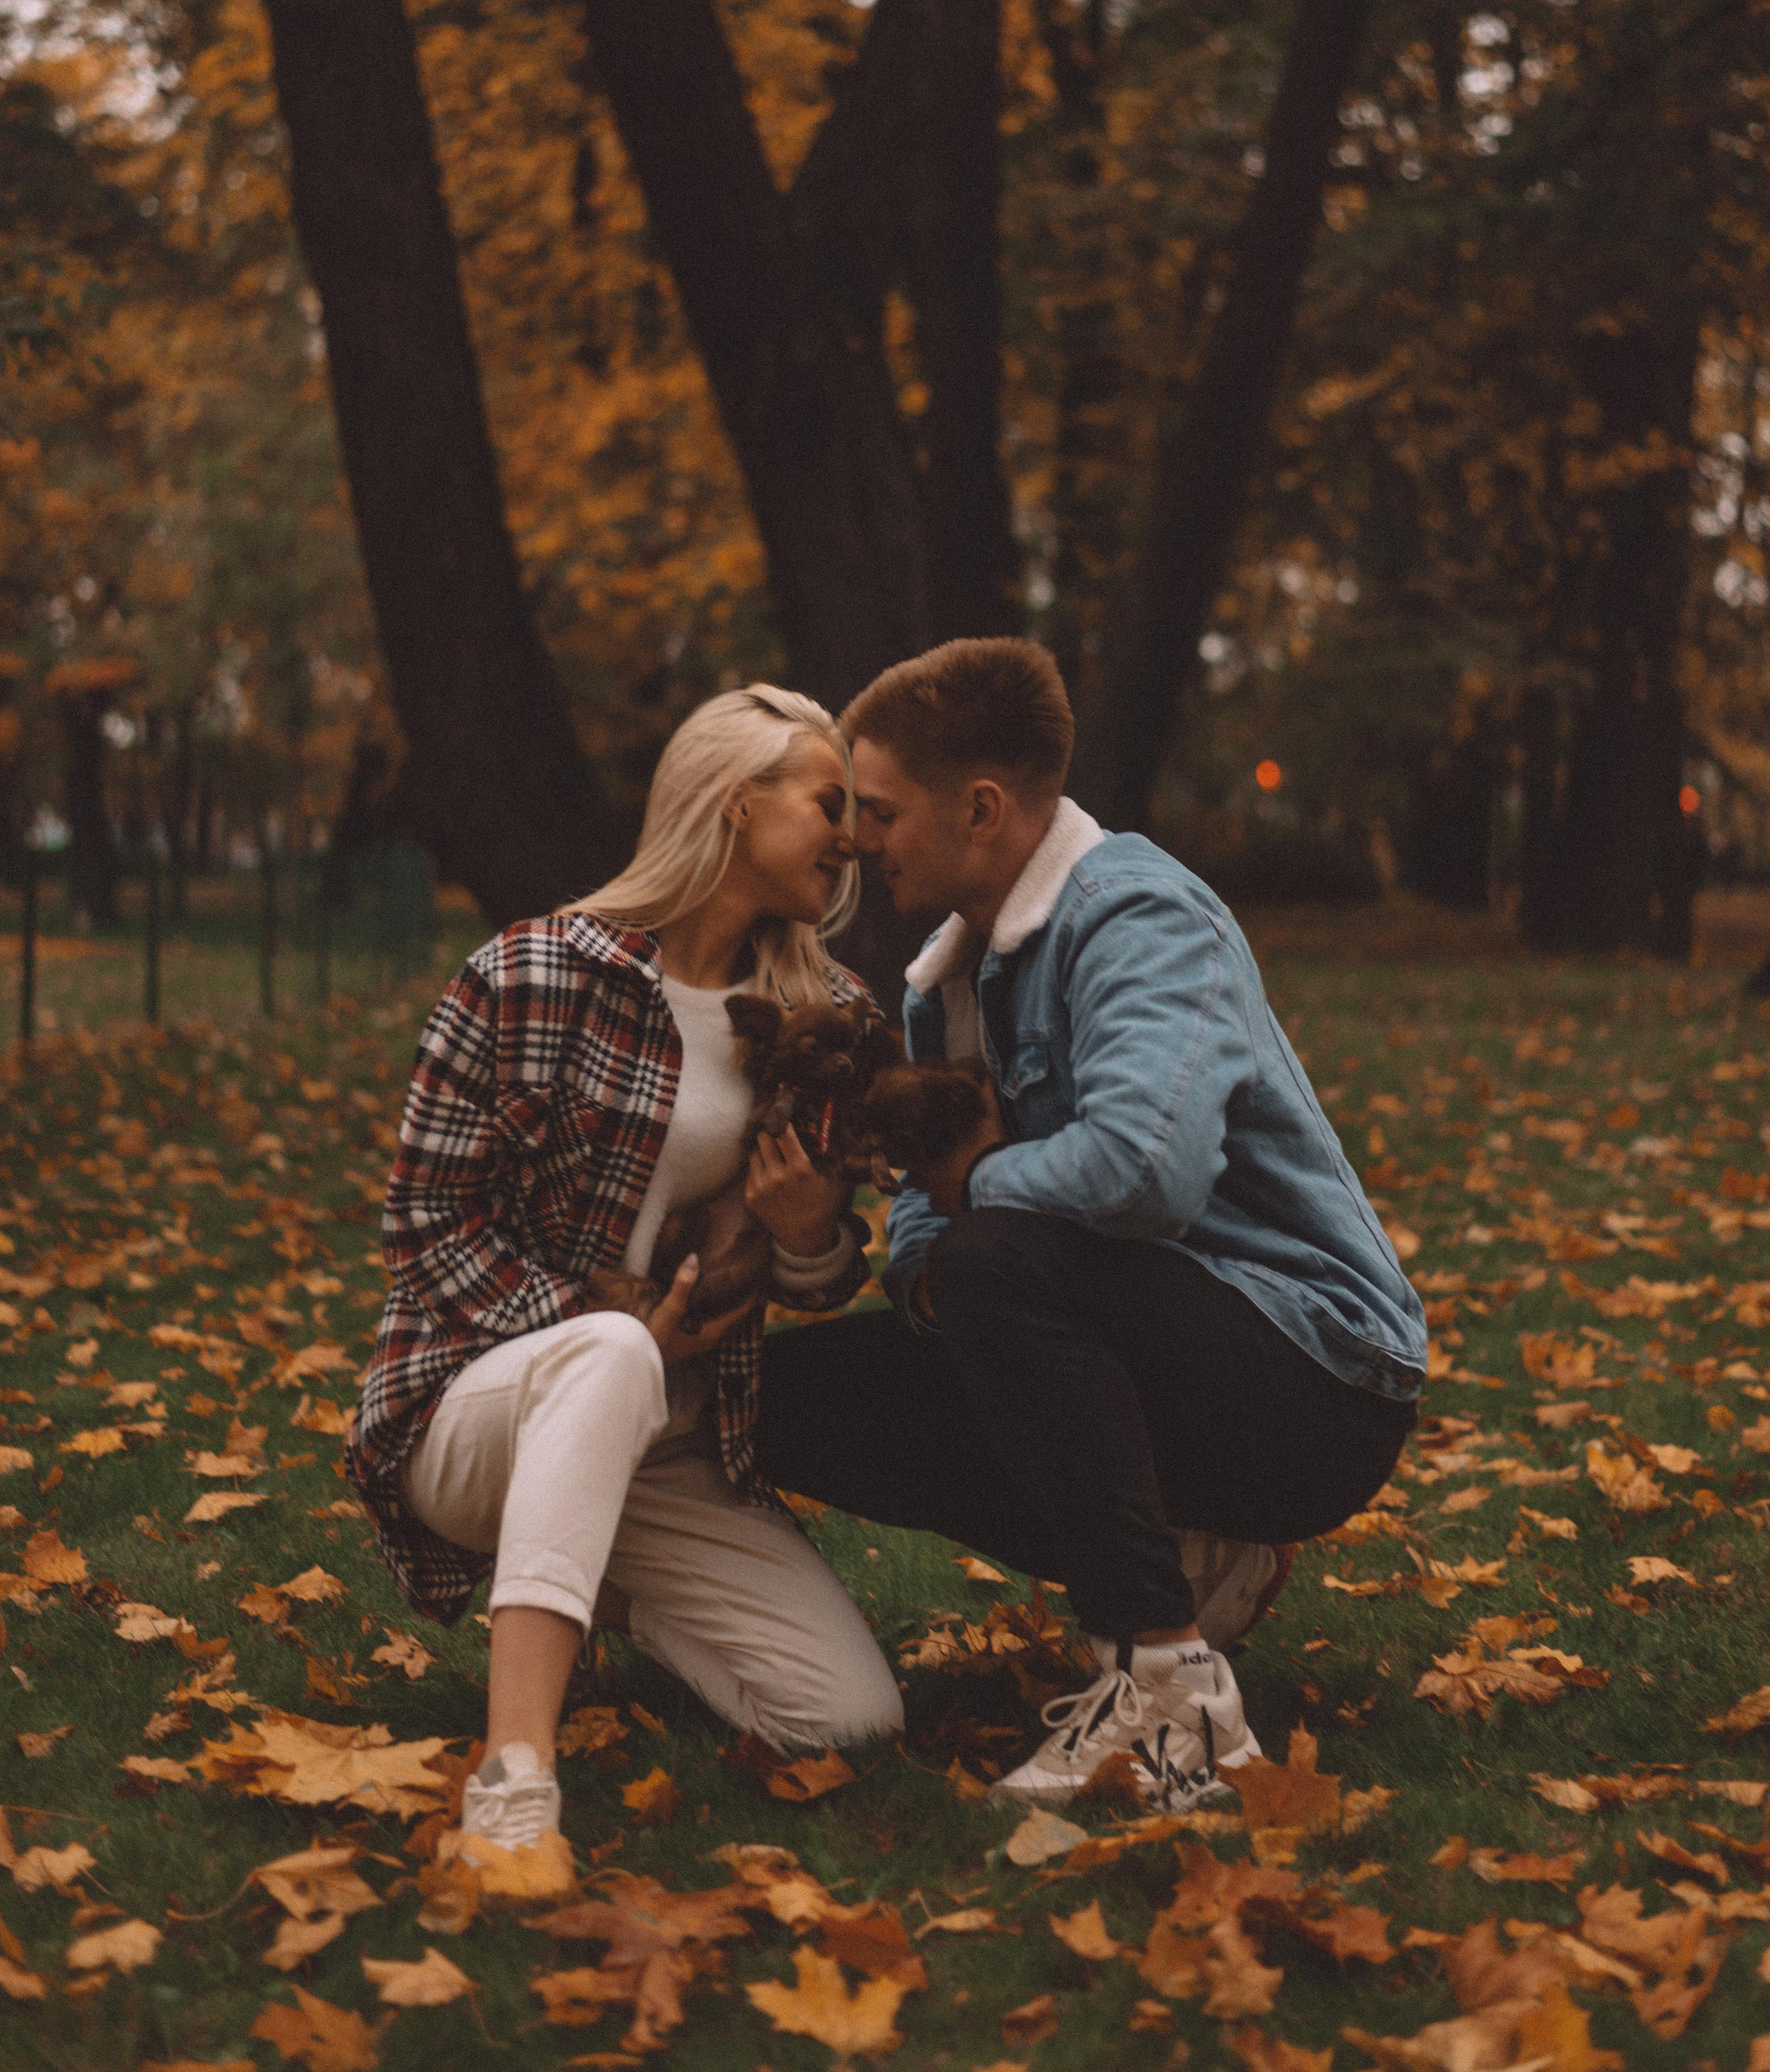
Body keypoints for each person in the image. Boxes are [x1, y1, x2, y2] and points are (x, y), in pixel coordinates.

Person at [757, 637, 1426, 1809]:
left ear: (981, 807)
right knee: (782, 1393)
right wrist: (934, 1257)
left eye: (881, 810)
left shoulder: (1139, 915)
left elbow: (1143, 1172)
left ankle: (1171, 1694)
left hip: (1318, 1383)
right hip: (1140, 1348)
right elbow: (921, 1221)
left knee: (994, 1260)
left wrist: (973, 1189)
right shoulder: (943, 983)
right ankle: (1192, 1554)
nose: (858, 839)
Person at [346, 685, 904, 1850]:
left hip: (674, 1447)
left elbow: (818, 1281)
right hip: (481, 1408)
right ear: (737, 802)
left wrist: (810, 1232)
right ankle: (516, 1779)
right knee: (605, 1352)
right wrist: (622, 1330)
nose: (850, 836)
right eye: (828, 803)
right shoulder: (529, 973)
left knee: (847, 1716)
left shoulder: (825, 1013)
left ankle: (587, 1569)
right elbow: (426, 1223)